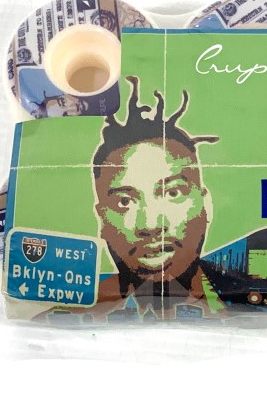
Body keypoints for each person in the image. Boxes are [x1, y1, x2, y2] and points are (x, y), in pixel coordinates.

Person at [89, 76, 223, 319]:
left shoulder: (247, 309)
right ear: (102, 221)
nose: (150, 225)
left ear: (207, 205)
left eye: (173, 193)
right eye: (124, 202)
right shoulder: (71, 316)